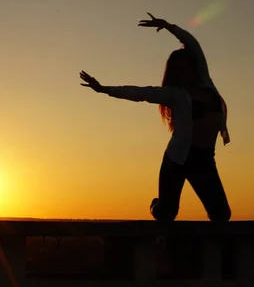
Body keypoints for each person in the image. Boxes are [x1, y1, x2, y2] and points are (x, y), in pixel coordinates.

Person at [79, 13, 231, 222]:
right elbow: (140, 93)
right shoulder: (175, 94)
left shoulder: (205, 82)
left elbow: (192, 43)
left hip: (204, 159)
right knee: (166, 213)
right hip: (177, 159)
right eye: (179, 69)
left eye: (186, 66)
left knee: (221, 215)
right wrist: (104, 89)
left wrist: (168, 26)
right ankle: (155, 205)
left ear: (193, 66)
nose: (184, 71)